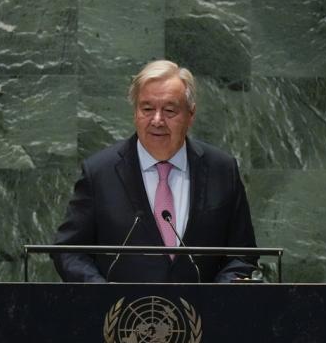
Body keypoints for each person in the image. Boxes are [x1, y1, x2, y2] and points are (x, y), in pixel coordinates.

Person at [52, 60, 257, 283]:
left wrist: (217, 297)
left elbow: (242, 255)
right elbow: (70, 250)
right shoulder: (100, 172)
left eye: (169, 110)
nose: (157, 120)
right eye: (147, 109)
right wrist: (103, 294)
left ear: (191, 114)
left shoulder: (222, 170)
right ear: (135, 113)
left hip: (204, 314)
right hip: (121, 314)